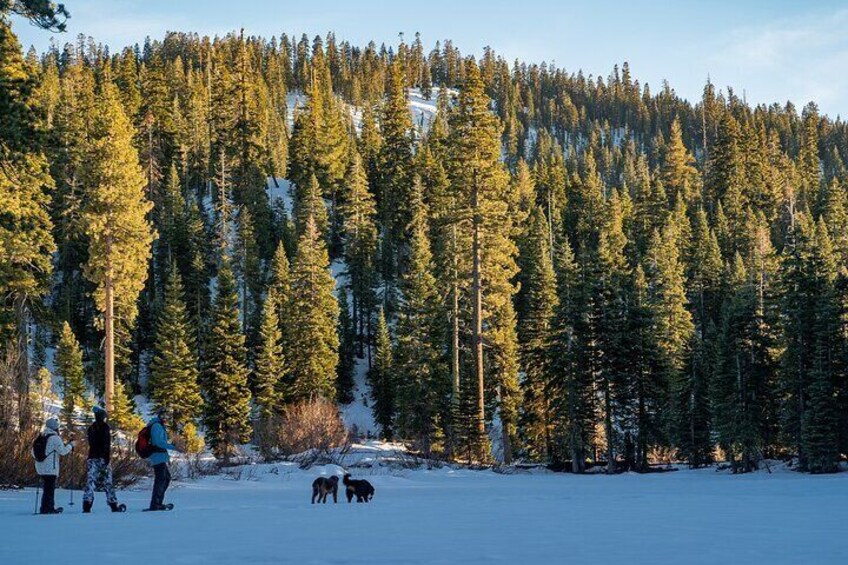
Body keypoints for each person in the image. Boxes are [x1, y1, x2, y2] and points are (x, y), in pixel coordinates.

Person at [83, 406, 125, 513]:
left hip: (92, 457)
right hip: (102, 458)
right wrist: (106, 458)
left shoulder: (91, 428)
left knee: (90, 481)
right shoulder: (105, 427)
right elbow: (106, 444)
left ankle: (87, 505)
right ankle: (113, 505)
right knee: (108, 482)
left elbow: (92, 443)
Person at [32, 418, 74, 514]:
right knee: (49, 489)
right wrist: (70, 445)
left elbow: (32, 452)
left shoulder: (40, 437)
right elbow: (63, 451)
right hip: (51, 468)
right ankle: (47, 508)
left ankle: (47, 507)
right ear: (55, 427)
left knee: (47, 488)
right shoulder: (55, 438)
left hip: (40, 467)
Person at [147, 410, 176, 511]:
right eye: (165, 417)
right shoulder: (156, 426)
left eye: (167, 417)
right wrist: (173, 447)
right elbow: (158, 443)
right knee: (161, 479)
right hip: (157, 456)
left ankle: (157, 502)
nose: (166, 419)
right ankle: (155, 504)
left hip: (160, 456)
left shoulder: (158, 426)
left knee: (166, 478)